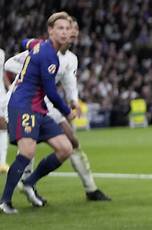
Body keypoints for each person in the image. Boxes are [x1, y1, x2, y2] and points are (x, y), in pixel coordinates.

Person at [3, 18, 111, 201]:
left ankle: (88, 188)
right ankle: (23, 187)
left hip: (48, 104)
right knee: (30, 147)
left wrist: (74, 101)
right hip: (27, 100)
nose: (72, 33)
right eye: (68, 29)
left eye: (73, 30)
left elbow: (70, 83)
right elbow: (9, 64)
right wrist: (30, 72)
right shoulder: (42, 50)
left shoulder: (71, 59)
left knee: (70, 143)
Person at [0, 12, 75, 214]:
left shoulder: (39, 45)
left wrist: (33, 44)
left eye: (67, 28)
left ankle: (29, 182)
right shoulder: (49, 55)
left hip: (38, 107)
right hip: (24, 104)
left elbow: (25, 41)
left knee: (65, 148)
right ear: (50, 31)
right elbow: (51, 91)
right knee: (27, 152)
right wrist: (68, 111)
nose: (65, 32)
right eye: (60, 28)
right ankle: (4, 201)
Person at [0, 48, 7, 173]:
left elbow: (3, 73)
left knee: (3, 125)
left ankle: (2, 163)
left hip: (1, 96)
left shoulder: (1, 53)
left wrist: (10, 85)